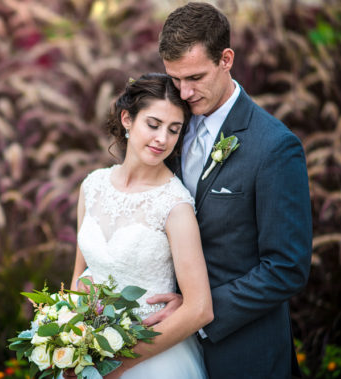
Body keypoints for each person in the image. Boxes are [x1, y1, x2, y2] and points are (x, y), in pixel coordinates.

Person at [140, 2, 312, 378]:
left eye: (195, 77)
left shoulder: (274, 147)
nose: (183, 93)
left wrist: (195, 311)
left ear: (226, 59)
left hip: (244, 354)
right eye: (175, 79)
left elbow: (286, 269)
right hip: (170, 353)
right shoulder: (171, 128)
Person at [69, 73, 213, 379]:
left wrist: (120, 364)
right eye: (153, 124)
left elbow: (199, 308)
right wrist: (69, 341)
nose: (163, 138)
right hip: (87, 354)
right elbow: (78, 280)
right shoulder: (92, 187)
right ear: (127, 119)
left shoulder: (175, 205)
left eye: (174, 130)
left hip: (152, 360)